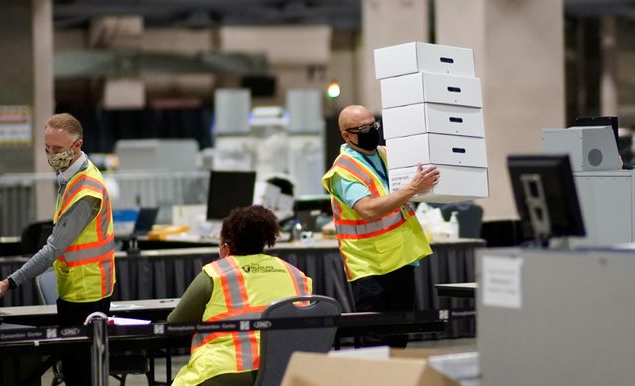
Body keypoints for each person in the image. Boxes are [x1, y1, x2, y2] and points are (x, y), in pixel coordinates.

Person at [0, 113, 116, 386]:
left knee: (81, 376)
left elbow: (52, 250)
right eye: (47, 149)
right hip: (74, 288)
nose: (51, 156)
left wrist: (10, 282)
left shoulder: (86, 191)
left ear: (78, 146)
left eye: (58, 150)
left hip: (87, 295)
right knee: (74, 370)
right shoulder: (70, 176)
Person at [321, 105, 439, 348]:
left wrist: (422, 187)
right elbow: (369, 209)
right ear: (347, 135)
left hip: (402, 259)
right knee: (374, 341)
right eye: (364, 128)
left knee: (399, 339)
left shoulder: (386, 154)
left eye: (373, 125)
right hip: (370, 267)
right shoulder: (342, 171)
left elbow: (400, 194)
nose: (372, 131)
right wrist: (412, 188)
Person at [169, 205, 312, 386]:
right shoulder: (296, 274)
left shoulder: (216, 273)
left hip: (223, 373)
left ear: (226, 248)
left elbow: (175, 323)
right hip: (283, 371)